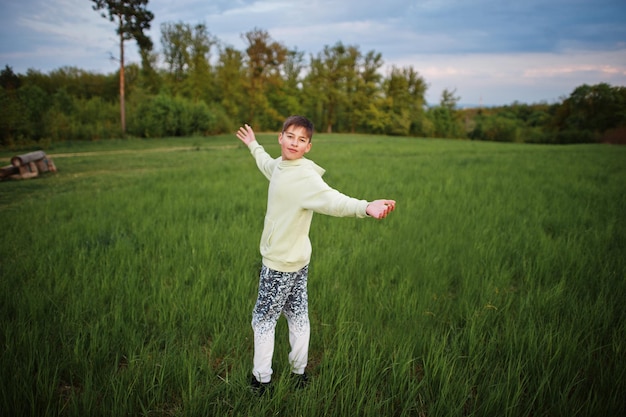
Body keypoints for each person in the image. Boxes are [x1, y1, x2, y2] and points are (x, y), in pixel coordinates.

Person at [235, 115, 396, 395]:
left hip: (279, 264)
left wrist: (366, 206)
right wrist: (252, 145)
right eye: (290, 136)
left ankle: (261, 382)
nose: (295, 143)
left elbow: (333, 200)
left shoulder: (305, 177)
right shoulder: (281, 166)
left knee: (263, 320)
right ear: (281, 137)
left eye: (302, 139)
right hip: (298, 261)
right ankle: (299, 374)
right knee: (297, 316)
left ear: (309, 146)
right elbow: (267, 165)